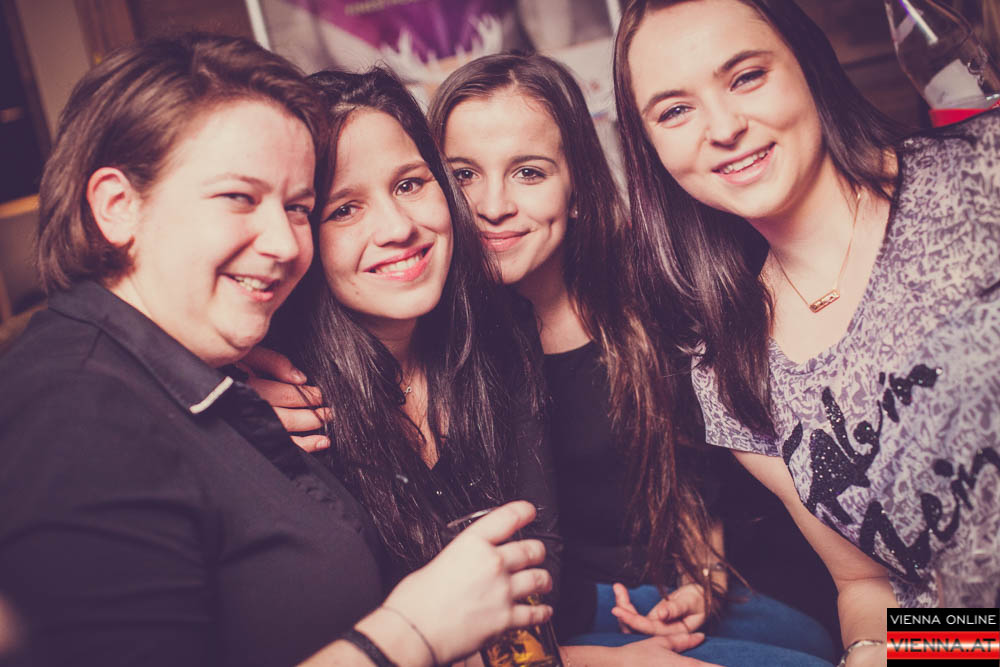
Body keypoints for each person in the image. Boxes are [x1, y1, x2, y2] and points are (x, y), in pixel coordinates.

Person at [0, 33, 553, 667]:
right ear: (118, 207)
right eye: (239, 197)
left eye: (296, 208)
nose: (287, 244)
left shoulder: (192, 384)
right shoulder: (70, 407)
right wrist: (413, 633)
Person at [613, 0, 1000, 664]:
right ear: (649, 147)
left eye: (746, 77)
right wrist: (873, 649)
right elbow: (868, 582)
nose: (724, 128)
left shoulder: (980, 176)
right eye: (675, 111)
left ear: (805, 63)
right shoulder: (729, 366)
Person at [426, 51, 836, 667]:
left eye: (529, 172)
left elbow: (702, 470)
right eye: (463, 175)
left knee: (838, 638)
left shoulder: (653, 295)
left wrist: (703, 573)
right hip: (567, 617)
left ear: (578, 190)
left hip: (714, 575)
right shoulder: (437, 341)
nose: (492, 205)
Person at [265, 65, 562, 588]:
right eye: (344, 209)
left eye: (409, 184)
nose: (399, 227)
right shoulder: (282, 404)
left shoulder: (499, 333)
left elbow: (541, 558)